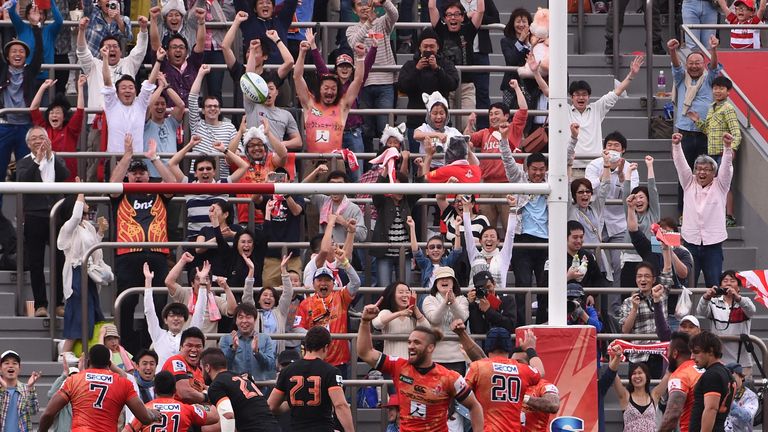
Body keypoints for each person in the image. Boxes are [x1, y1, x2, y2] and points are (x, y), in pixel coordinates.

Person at [357, 303, 485, 431]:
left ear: (430, 347)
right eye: (409, 342)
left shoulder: (449, 377)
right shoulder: (399, 366)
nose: (411, 346)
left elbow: (474, 406)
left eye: (416, 342)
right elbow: (365, 353)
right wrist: (364, 322)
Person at [109, 136, 177, 354]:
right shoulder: (121, 194)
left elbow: (174, 184)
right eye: (134, 172)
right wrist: (127, 156)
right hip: (128, 254)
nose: (138, 175)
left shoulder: (159, 192)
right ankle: (126, 351)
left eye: (142, 172)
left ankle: (153, 349)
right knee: (126, 306)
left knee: (157, 306)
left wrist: (155, 158)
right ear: (128, 175)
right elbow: (112, 186)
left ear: (149, 175)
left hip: (157, 254)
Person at [76, 16, 148, 180]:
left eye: (115, 46)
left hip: (127, 124)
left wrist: (143, 29)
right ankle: (94, 202)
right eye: (107, 47)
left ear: (121, 51)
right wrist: (81, 30)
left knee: (130, 166)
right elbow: (81, 50)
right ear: (101, 51)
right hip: (99, 124)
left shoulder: (129, 63)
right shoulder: (93, 64)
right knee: (96, 165)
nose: (112, 49)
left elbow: (141, 48)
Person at [39, 344, 161, 432]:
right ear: (109, 364)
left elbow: (48, 414)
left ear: (88, 362)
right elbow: (144, 418)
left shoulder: (74, 380)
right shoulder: (122, 383)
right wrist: (153, 414)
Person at [15, 126, 70, 318]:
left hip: (56, 215)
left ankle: (58, 303)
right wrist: (37, 160)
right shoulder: (23, 163)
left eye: (42, 137)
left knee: (60, 260)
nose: (39, 141)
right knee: (36, 262)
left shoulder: (56, 159)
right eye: (34, 139)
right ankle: (40, 305)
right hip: (34, 216)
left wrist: (50, 157)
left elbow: (64, 175)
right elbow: (22, 181)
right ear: (28, 144)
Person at [672, 131, 733, 287]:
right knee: (687, 286)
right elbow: (681, 165)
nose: (701, 172)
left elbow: (726, 168)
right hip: (690, 243)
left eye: (706, 169)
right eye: (698, 169)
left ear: (714, 172)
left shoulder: (721, 185)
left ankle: (715, 312)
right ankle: (687, 313)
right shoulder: (688, 183)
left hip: (713, 245)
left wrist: (727, 148)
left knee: (714, 286)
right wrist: (677, 145)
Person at [465, 80, 528, 233]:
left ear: (506, 116)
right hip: (487, 185)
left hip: (508, 186)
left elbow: (524, 109)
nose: (492, 117)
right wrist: (469, 124)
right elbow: (465, 141)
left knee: (509, 230)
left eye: (496, 113)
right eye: (490, 114)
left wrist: (516, 88)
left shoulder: (513, 129)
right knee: (486, 231)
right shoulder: (484, 132)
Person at [668, 36, 722, 211]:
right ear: (687, 64)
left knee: (706, 174)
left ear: (702, 64)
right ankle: (683, 212)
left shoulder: (708, 79)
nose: (694, 66)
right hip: (685, 134)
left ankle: (706, 210)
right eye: (691, 63)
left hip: (705, 135)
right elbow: (676, 66)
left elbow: (714, 68)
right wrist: (672, 51)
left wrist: (713, 49)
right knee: (685, 174)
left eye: (698, 63)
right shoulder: (680, 78)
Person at [267, 327, 355, 432]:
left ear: (306, 345)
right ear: (325, 347)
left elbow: (271, 406)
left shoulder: (287, 371)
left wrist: (290, 404)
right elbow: (340, 405)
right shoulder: (331, 371)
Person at [295, 239, 361, 377]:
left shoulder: (341, 297)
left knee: (338, 397)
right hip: (314, 360)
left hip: (339, 360)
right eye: (320, 280)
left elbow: (356, 283)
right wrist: (315, 336)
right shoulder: (305, 303)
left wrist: (345, 262)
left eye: (327, 280)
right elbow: (297, 327)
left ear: (333, 283)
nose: (323, 283)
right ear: (313, 284)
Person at [56, 187, 108, 361]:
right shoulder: (68, 227)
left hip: (89, 271)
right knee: (78, 309)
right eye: (83, 201)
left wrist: (100, 232)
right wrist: (79, 192)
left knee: (91, 309)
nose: (86, 203)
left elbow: (93, 248)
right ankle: (65, 350)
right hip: (76, 272)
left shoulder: (87, 226)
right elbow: (75, 217)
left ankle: (82, 349)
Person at [584, 131, 639, 288]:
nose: (613, 148)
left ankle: (614, 309)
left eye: (617, 146)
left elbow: (632, 195)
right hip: (595, 222)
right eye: (609, 145)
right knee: (591, 265)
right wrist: (606, 171)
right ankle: (595, 307)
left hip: (619, 224)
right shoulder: (594, 165)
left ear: (623, 150)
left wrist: (622, 176)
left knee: (618, 266)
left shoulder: (630, 168)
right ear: (604, 149)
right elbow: (588, 187)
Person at [167, 136, 250, 239]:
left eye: (208, 168)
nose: (205, 171)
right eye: (201, 169)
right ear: (196, 173)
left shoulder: (223, 184)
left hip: (219, 240)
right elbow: (172, 164)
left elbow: (244, 166)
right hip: (195, 241)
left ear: (214, 172)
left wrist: (224, 150)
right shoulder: (188, 185)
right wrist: (190, 145)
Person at [685, 75, 741, 226]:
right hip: (712, 154)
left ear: (728, 92)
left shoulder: (728, 108)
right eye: (715, 88)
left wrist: (732, 150)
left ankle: (729, 216)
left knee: (724, 184)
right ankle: (714, 215)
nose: (717, 91)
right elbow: (708, 130)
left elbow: (736, 132)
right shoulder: (711, 107)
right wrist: (697, 121)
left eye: (721, 88)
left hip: (723, 153)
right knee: (712, 185)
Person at [464, 328, 544, 431]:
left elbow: (462, 394)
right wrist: (530, 349)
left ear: (487, 346)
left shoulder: (478, 367)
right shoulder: (521, 369)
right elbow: (540, 372)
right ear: (509, 347)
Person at [569, 55, 643, 165]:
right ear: (571, 97)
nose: (581, 98)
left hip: (595, 166)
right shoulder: (563, 110)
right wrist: (536, 73)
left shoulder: (597, 108)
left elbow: (617, 91)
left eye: (584, 94)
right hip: (572, 165)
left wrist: (631, 75)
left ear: (589, 96)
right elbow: (548, 92)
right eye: (577, 95)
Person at [294, 40, 365, 154]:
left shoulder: (342, 105)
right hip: (312, 162)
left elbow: (358, 81)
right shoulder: (309, 103)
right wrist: (302, 53)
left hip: (335, 163)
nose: (329, 91)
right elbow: (297, 77)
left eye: (333, 88)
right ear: (319, 89)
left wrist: (360, 57)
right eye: (326, 88)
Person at [346, 0, 399, 152]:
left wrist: (383, 2)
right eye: (359, 4)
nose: (363, 7)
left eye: (366, 3)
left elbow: (394, 14)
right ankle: (369, 168)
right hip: (363, 84)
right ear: (354, 11)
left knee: (385, 129)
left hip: (386, 82)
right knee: (366, 130)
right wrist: (369, 23)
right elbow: (355, 42)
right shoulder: (351, 29)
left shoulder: (382, 23)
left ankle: (387, 166)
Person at [396, 28, 459, 152]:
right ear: (419, 47)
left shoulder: (446, 64)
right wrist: (417, 69)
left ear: (438, 47)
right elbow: (402, 87)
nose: (428, 50)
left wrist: (437, 69)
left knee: (442, 162)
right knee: (417, 162)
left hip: (441, 123)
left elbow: (453, 84)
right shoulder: (410, 65)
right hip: (416, 123)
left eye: (432, 46)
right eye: (425, 46)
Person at [0, 24, 42, 207]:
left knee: (27, 172)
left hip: (26, 127)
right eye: (13, 51)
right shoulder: (2, 70)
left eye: (21, 51)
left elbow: (39, 53)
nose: (17, 54)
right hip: (5, 125)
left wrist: (36, 28)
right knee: (0, 171)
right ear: (7, 56)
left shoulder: (29, 71)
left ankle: (27, 214)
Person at [428, 0, 485, 131]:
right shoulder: (440, 30)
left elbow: (480, 11)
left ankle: (467, 151)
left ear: (462, 17)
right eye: (449, 15)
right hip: (445, 85)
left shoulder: (468, 30)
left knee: (468, 123)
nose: (453, 17)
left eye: (456, 14)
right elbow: (431, 7)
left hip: (466, 85)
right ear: (445, 18)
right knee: (442, 123)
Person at [201, 347, 280, 432]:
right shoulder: (241, 378)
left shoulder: (217, 384)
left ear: (207, 367)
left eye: (201, 368)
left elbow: (228, 416)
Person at [143, 263, 205, 371]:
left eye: (180, 316)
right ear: (165, 320)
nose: (176, 319)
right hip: (162, 382)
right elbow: (149, 312)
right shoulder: (158, 335)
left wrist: (203, 283)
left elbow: (200, 314)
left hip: (184, 380)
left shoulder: (188, 337)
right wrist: (148, 282)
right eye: (172, 316)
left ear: (185, 320)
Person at [100, 44, 161, 154]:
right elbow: (107, 82)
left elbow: (150, 83)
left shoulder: (140, 105)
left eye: (131, 88)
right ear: (117, 93)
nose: (127, 90)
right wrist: (105, 58)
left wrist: (159, 61)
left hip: (136, 160)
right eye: (123, 88)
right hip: (115, 160)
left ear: (136, 92)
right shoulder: (112, 104)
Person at [696, 270, 756, 376]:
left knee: (743, 391)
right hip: (718, 360)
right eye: (725, 281)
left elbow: (751, 311)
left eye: (732, 281)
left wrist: (737, 298)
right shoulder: (713, 302)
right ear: (720, 285)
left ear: (738, 287)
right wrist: (706, 297)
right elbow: (701, 311)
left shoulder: (744, 302)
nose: (728, 283)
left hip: (742, 361)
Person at [30, 75, 86, 181]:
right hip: (46, 176)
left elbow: (80, 111)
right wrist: (43, 87)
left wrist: (80, 87)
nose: (54, 115)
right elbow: (33, 109)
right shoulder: (44, 129)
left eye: (57, 113)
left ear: (64, 117)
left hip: (68, 177)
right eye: (51, 113)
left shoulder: (71, 130)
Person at [123, 370, 217, 432]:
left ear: (155, 390)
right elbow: (214, 417)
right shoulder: (187, 409)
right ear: (175, 391)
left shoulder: (144, 410)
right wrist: (207, 394)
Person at [165, 253, 237, 335]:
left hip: (209, 346)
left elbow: (232, 310)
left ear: (211, 284)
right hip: (187, 345)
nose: (203, 282)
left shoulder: (216, 300)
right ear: (192, 283)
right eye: (198, 279)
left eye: (206, 278)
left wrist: (226, 288)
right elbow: (169, 282)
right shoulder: (185, 295)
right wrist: (183, 261)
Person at [619, 262, 667, 378]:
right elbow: (625, 331)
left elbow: (668, 274)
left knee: (655, 391)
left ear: (654, 279)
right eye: (639, 276)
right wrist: (634, 308)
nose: (643, 279)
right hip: (637, 355)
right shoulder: (628, 301)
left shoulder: (661, 295)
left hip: (658, 353)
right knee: (637, 392)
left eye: (646, 276)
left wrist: (666, 249)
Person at [422, 267, 470, 376]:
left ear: (454, 282)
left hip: (457, 356)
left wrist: (453, 302)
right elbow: (434, 319)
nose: (444, 280)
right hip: (435, 356)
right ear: (435, 283)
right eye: (441, 278)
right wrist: (445, 303)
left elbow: (462, 318)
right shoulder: (429, 299)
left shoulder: (462, 299)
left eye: (448, 278)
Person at [156, 8, 207, 106]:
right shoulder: (162, 65)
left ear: (187, 51)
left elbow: (200, 44)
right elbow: (155, 44)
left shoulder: (192, 64)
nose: (178, 50)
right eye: (174, 47)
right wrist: (153, 20)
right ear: (167, 51)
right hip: (169, 115)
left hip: (190, 115)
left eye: (181, 47)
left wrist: (201, 22)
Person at [218, 303, 277, 382]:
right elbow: (222, 368)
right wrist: (233, 349)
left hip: (259, 388)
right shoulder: (226, 339)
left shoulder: (265, 338)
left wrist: (257, 353)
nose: (244, 321)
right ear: (236, 321)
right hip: (234, 389)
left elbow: (270, 366)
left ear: (255, 320)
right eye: (240, 317)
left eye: (248, 317)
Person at [689, 330, 735, 432]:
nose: (692, 357)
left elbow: (711, 409)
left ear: (710, 351)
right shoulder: (727, 373)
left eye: (696, 352)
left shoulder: (712, 375)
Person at [659, 332, 705, 432]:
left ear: (675, 353)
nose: (667, 355)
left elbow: (672, 415)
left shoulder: (680, 375)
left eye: (668, 351)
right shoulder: (708, 369)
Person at [8, 2, 62, 84]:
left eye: (41, 13)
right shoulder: (22, 28)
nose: (37, 15)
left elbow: (59, 21)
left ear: (44, 16)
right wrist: (14, 1)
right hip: (27, 76)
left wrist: (51, 1)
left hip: (46, 77)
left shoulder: (50, 31)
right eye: (33, 12)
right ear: (27, 16)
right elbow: (11, 12)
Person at [143, 73, 185, 178]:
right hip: (151, 175)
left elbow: (181, 105)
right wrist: (160, 87)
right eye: (157, 104)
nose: (160, 107)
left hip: (171, 175)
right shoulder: (145, 123)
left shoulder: (171, 122)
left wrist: (166, 86)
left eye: (163, 104)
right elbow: (148, 105)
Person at [373, 282, 429, 360]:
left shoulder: (413, 318)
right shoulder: (387, 313)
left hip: (410, 363)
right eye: (401, 292)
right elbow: (377, 323)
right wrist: (399, 313)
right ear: (392, 295)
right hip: (391, 363)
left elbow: (427, 330)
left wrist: (415, 308)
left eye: (407, 292)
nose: (405, 295)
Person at [408, 215, 463, 289]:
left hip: (445, 297)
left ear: (443, 251)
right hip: (428, 297)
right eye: (432, 247)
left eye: (439, 247)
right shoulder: (425, 263)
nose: (435, 250)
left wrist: (457, 227)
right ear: (427, 251)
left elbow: (457, 250)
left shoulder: (447, 262)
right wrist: (412, 227)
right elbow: (415, 251)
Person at [500, 8, 536, 113]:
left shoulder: (535, 41)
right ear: (513, 23)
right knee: (510, 114)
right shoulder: (506, 41)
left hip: (530, 85)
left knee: (529, 114)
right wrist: (520, 41)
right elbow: (511, 60)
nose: (521, 24)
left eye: (524, 21)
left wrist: (529, 44)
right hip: (511, 85)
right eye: (518, 21)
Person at [414, 91, 462, 169]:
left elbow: (464, 141)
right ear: (429, 114)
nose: (438, 117)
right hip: (428, 168)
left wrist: (469, 127)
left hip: (447, 169)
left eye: (442, 113)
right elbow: (416, 135)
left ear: (447, 115)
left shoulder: (452, 131)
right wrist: (437, 135)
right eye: (435, 113)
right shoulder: (425, 128)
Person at [611, 361, 665, 431]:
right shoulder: (625, 396)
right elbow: (613, 373)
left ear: (646, 376)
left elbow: (668, 374)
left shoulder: (654, 395)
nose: (637, 376)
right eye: (634, 373)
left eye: (640, 373)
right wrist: (615, 358)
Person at [160, 327, 207, 404]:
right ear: (180, 347)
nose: (194, 350)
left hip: (188, 411)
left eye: (198, 346)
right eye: (189, 345)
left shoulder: (199, 371)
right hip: (171, 411)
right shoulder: (176, 361)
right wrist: (207, 397)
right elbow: (185, 393)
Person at [0, 350, 41, 432]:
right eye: (6, 363)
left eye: (14, 363)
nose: (10, 366)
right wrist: (2, 390)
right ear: (0, 368)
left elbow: (34, 411)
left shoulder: (26, 389)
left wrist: (29, 388)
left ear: (19, 368)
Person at [123, 350, 157, 424]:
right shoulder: (130, 381)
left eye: (152, 364)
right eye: (144, 364)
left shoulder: (161, 385)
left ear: (156, 366)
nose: (148, 367)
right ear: (137, 366)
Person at [724, 362, 759, 431]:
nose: (730, 382)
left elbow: (747, 416)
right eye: (726, 379)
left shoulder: (750, 396)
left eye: (732, 378)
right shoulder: (721, 392)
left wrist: (730, 402)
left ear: (742, 377)